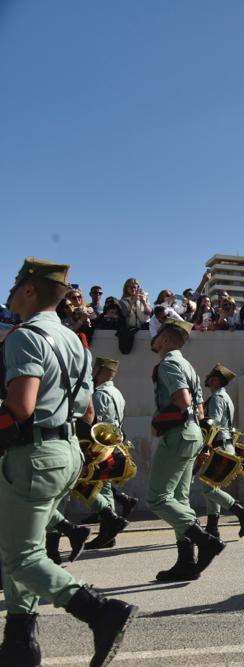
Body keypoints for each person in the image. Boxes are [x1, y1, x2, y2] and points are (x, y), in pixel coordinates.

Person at [0, 257, 137, 667]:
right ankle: (19, 641)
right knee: (24, 546)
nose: (8, 292)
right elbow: (89, 413)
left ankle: (100, 612)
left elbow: (21, 408)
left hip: (32, 454)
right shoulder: (75, 342)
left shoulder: (25, 337)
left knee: (21, 555)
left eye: (14, 284)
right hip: (64, 454)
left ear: (29, 290)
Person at [147, 319, 226, 581]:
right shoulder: (188, 367)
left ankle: (204, 541)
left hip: (178, 434)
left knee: (158, 498)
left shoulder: (168, 364)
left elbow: (183, 401)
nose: (155, 337)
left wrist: (159, 421)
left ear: (167, 340)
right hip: (192, 432)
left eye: (158, 334)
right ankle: (186, 561)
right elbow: (200, 409)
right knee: (179, 500)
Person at [199, 364, 244, 539]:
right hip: (225, 445)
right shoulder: (224, 397)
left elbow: (212, 424)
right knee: (211, 487)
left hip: (218, 446)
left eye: (210, 375)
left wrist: (204, 445)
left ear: (216, 379)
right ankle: (212, 528)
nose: (207, 377)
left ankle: (242, 512)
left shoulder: (217, 398)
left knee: (209, 490)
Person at [80, 356, 132, 551]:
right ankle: (107, 533)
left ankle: (108, 528)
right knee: (106, 488)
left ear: (101, 371)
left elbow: (97, 423)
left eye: (95, 369)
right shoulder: (117, 393)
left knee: (88, 487)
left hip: (101, 446)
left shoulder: (100, 394)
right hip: (114, 443)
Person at [116, 278, 151, 354]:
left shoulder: (144, 298)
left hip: (144, 327)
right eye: (131, 287)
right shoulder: (122, 301)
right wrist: (132, 302)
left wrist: (144, 302)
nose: (134, 289)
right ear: (126, 288)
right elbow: (125, 314)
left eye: (136, 287)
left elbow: (149, 312)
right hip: (130, 329)